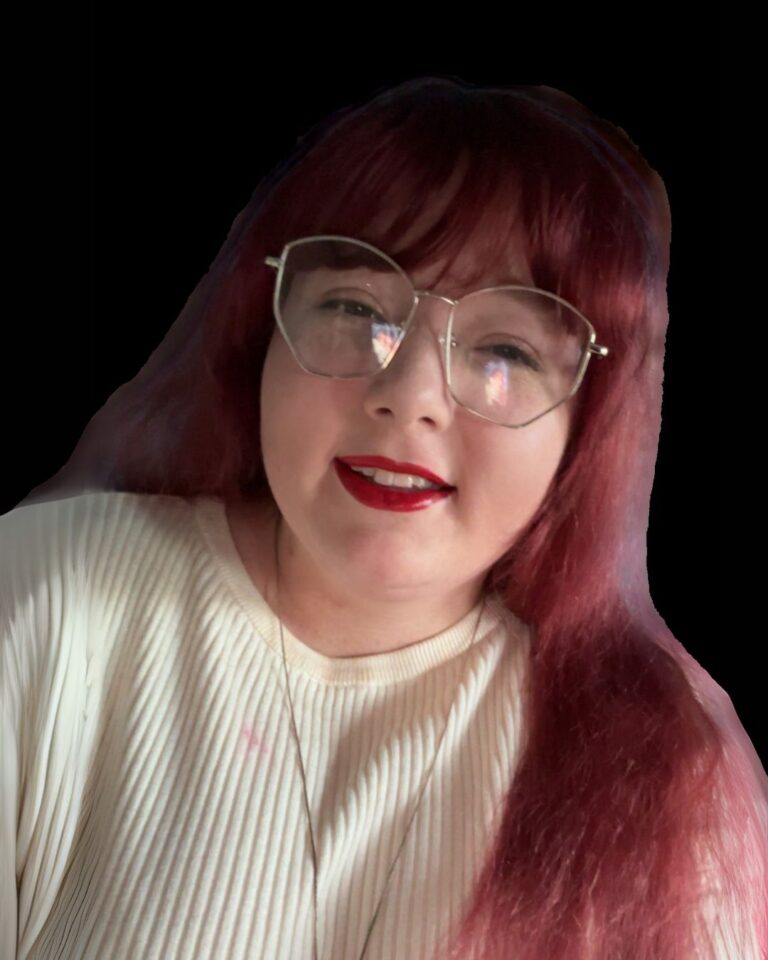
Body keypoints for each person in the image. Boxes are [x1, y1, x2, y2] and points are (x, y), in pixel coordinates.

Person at [1, 76, 765, 960]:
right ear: (262, 323)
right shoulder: (47, 602)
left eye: (506, 351)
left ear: (588, 428)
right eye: (357, 309)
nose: (410, 397)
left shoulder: (664, 776)